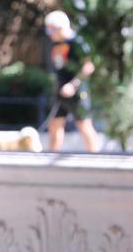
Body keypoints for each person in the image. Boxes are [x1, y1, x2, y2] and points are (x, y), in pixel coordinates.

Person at [43, 11, 102, 153]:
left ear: (60, 27)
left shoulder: (77, 43)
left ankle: (96, 158)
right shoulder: (56, 44)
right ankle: (52, 157)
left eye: (50, 30)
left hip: (77, 93)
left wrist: (73, 85)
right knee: (55, 125)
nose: (49, 34)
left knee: (84, 125)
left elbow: (88, 66)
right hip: (60, 92)